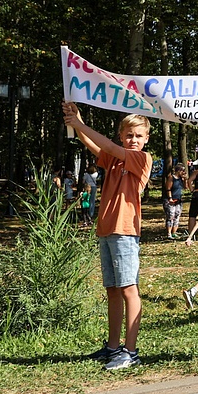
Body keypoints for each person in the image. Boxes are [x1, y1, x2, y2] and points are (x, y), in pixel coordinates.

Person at [63, 103, 151, 370]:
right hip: (107, 231)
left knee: (128, 289)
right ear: (121, 134)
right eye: (128, 135)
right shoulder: (115, 159)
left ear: (146, 138)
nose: (133, 140)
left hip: (125, 232)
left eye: (138, 135)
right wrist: (75, 121)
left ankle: (131, 350)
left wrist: (80, 125)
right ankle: (113, 347)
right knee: (112, 290)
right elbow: (95, 146)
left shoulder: (141, 158)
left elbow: (110, 148)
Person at [163, 164, 185, 239]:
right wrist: (170, 198)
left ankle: (174, 232)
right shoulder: (171, 178)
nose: (183, 172)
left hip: (178, 200)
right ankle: (169, 233)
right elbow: (168, 188)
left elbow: (185, 187)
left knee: (177, 215)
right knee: (170, 216)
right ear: (178, 171)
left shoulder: (181, 179)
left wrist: (185, 180)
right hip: (171, 200)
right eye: (182, 171)